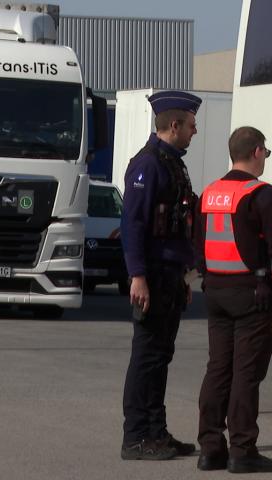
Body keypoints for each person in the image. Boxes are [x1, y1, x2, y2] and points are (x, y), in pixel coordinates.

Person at [196, 126, 272, 474]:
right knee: (246, 374)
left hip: (215, 291)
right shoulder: (262, 194)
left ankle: (210, 449)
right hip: (252, 295)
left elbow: (197, 244)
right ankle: (242, 450)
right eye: (266, 153)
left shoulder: (209, 193)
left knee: (218, 369)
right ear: (257, 151)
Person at [119, 90, 201, 461]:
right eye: (191, 125)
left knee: (160, 356)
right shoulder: (148, 164)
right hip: (152, 274)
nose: (195, 132)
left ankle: (156, 432)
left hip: (169, 275)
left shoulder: (172, 163)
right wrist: (138, 275)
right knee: (147, 357)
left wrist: (182, 276)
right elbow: (133, 223)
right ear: (174, 125)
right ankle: (136, 437)